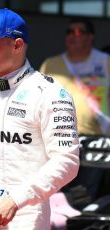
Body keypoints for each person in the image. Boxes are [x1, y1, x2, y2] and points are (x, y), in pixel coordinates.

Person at [0, 8, 80, 229]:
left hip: (24, 217)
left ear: (17, 45)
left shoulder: (50, 93)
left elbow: (67, 161)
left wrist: (15, 200)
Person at [40, 17, 110, 202]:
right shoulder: (50, 65)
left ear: (90, 37)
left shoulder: (105, 62)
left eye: (78, 32)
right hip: (58, 140)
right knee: (59, 196)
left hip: (97, 142)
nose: (72, 36)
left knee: (85, 198)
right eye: (69, 32)